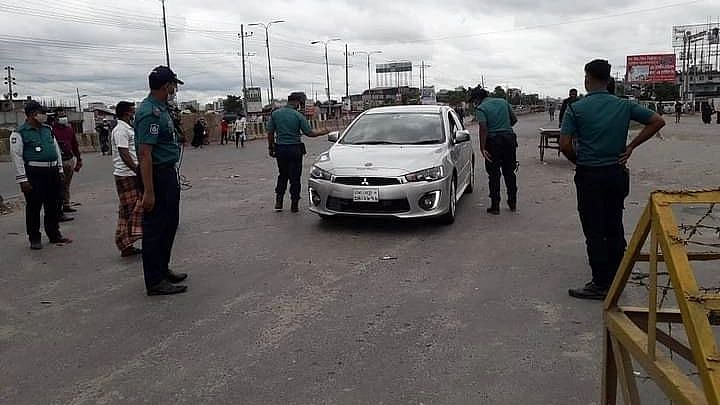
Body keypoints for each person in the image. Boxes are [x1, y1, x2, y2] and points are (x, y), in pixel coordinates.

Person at [559, 59, 665, 300]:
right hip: (616, 173)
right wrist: (631, 147)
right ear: (608, 81)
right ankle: (618, 277)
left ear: (587, 79)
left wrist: (580, 161)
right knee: (614, 223)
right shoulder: (624, 106)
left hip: (589, 175)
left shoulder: (576, 108)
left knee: (594, 228)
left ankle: (600, 284)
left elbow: (565, 145)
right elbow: (657, 121)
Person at [135, 66, 188, 296]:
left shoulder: (162, 109)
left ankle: (162, 269)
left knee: (169, 224)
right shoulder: (150, 113)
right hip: (156, 174)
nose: (175, 89)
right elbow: (145, 153)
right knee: (155, 228)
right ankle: (154, 281)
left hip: (167, 172)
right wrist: (148, 191)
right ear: (166, 86)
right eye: (173, 85)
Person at [10, 101, 73, 250]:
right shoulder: (19, 133)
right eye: (41, 113)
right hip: (34, 173)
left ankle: (54, 234)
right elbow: (16, 156)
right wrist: (22, 179)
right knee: (34, 206)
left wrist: (60, 170)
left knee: (53, 204)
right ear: (32, 114)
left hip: (52, 171)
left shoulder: (47, 129)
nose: (44, 116)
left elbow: (55, 149)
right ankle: (34, 238)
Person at [266, 92, 329, 212]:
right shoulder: (298, 116)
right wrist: (323, 132)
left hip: (281, 149)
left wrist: (271, 147)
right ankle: (294, 205)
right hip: (295, 149)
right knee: (295, 178)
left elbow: (270, 133)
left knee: (282, 175)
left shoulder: (275, 114)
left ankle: (278, 203)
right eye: (300, 103)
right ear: (297, 102)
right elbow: (309, 133)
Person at [471, 87, 519, 215]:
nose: (474, 103)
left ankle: (495, 206)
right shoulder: (503, 102)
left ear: (477, 99)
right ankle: (512, 202)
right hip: (509, 140)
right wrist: (504, 128)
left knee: (494, 174)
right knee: (509, 172)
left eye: (474, 100)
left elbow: (483, 128)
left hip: (493, 143)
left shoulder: (481, 108)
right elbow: (514, 119)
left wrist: (482, 148)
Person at [112, 101, 143, 258]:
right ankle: (124, 243)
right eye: (132, 111)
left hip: (130, 173)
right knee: (129, 211)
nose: (134, 113)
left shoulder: (128, 128)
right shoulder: (120, 130)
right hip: (126, 174)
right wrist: (136, 169)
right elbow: (124, 153)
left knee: (131, 209)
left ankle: (127, 243)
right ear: (126, 113)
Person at [52, 114, 82, 214]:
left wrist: (79, 159)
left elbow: (74, 144)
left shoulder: (69, 129)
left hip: (69, 159)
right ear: (55, 118)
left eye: (64, 115)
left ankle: (66, 204)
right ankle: (58, 208)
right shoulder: (51, 130)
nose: (63, 118)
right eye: (60, 116)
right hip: (58, 161)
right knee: (58, 185)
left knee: (66, 184)